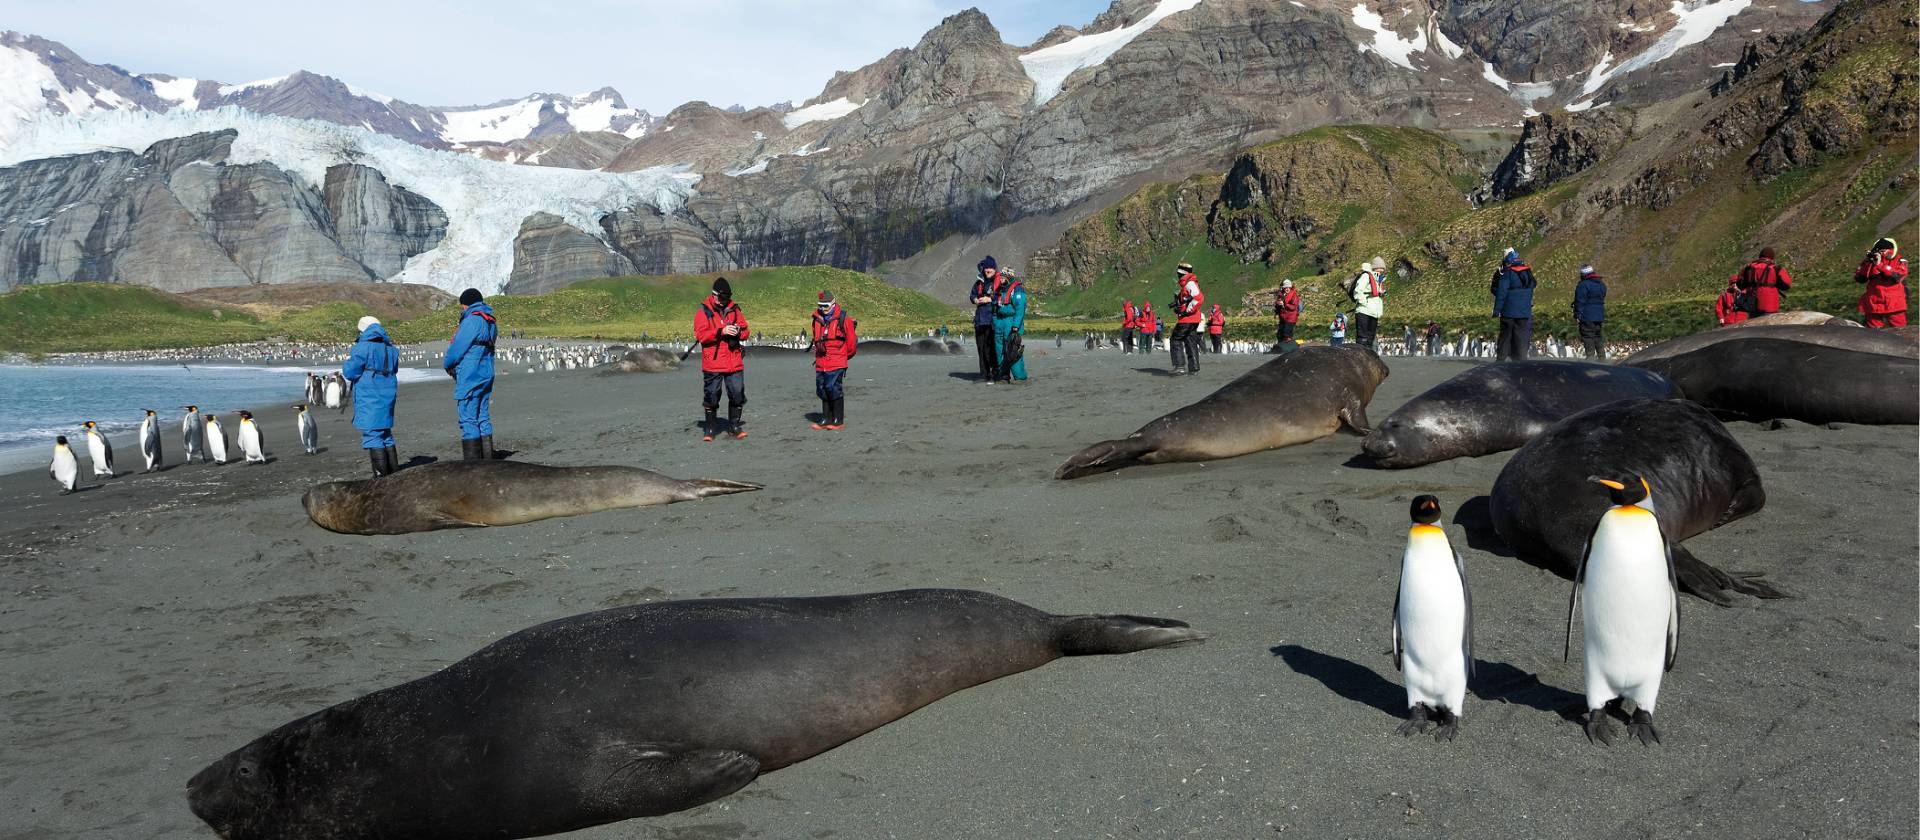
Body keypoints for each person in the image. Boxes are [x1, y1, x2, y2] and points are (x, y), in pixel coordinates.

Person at [343, 315, 400, 477]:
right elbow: (394, 369)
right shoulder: (391, 349)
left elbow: (350, 372)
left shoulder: (362, 348)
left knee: (372, 434)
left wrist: (348, 361)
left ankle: (381, 478)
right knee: (385, 434)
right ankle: (395, 475)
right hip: (387, 394)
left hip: (369, 395)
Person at [694, 277, 751, 441]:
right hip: (713, 362)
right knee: (711, 395)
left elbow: (747, 331)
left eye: (727, 298)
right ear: (715, 295)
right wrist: (721, 331)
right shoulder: (703, 312)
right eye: (722, 297)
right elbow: (701, 336)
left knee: (737, 394)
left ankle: (734, 426)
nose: (724, 301)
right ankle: (710, 428)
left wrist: (738, 331)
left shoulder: (734, 309)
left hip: (734, 360)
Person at [444, 288, 497, 460]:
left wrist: (447, 364)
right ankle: (488, 463)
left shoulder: (471, 321)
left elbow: (456, 349)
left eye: (462, 305)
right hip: (486, 373)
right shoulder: (491, 322)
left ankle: (473, 467)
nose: (462, 309)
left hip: (470, 375)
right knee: (482, 416)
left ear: (466, 304)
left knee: (468, 419)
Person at [810, 291, 857, 430]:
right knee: (822, 388)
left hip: (837, 361)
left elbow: (852, 344)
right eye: (821, 305)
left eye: (826, 305)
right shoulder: (816, 319)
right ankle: (826, 418)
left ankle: (838, 419)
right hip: (821, 361)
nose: (823, 308)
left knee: (833, 388)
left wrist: (842, 358)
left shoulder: (844, 319)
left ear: (833, 303)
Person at [1490, 248, 1537, 361]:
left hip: (1508, 311)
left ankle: (1501, 360)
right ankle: (1520, 360)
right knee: (1521, 336)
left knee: (1505, 336)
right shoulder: (1527, 272)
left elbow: (1501, 292)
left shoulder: (1506, 273)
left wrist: (1497, 310)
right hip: (1524, 311)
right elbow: (1533, 285)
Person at [1855, 238, 1909, 328]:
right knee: (1872, 334)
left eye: (1883, 251)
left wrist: (1880, 265)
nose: (1881, 254)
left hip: (1894, 303)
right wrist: (1868, 262)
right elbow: (1860, 278)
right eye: (1879, 251)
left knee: (1901, 331)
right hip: (1874, 303)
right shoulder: (1871, 261)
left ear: (1891, 250)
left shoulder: (1900, 261)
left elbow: (1898, 276)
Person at [989, 257, 1028, 382]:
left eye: (1003, 276)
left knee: (1012, 351)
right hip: (1000, 323)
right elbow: (995, 308)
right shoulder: (999, 291)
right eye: (1000, 276)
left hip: (1011, 323)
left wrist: (1016, 326)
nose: (1000, 278)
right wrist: (994, 323)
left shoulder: (1017, 290)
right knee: (999, 351)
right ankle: (1003, 375)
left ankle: (1020, 377)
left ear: (1009, 277)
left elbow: (1020, 309)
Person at [1732, 247, 1793, 317]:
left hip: (1752, 304)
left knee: (1754, 326)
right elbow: (1787, 285)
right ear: (1772, 257)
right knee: (1768, 326)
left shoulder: (1748, 268)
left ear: (1760, 256)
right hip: (1770, 305)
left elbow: (1740, 284)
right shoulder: (1776, 269)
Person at [1169, 263, 1204, 374]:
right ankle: (1194, 369)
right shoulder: (1188, 284)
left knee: (1175, 339)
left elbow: (1199, 298)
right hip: (1193, 319)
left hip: (1187, 319)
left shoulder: (1190, 283)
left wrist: (1186, 310)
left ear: (1182, 273)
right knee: (1190, 341)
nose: (1178, 275)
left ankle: (1179, 366)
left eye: (1179, 273)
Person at [1347, 257, 1386, 350]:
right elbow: (1358, 291)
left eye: (1383, 268)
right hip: (1364, 311)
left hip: (1373, 312)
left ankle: (1367, 358)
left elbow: (1374, 294)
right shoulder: (1366, 276)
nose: (1382, 270)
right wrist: (1364, 302)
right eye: (1380, 267)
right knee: (1362, 338)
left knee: (1370, 339)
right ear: (1375, 267)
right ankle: (1360, 357)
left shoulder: (1378, 279)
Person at [969, 259, 999, 381]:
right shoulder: (979, 282)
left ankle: (995, 372)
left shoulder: (998, 282)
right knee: (981, 348)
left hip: (992, 319)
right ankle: (984, 374)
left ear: (995, 268)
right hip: (980, 320)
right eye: (986, 268)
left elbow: (1001, 296)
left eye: (991, 268)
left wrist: (990, 299)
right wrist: (975, 300)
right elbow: (972, 295)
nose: (988, 270)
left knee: (991, 348)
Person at [1573, 264, 1608, 360]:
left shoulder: (1583, 285)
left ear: (1583, 274)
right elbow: (1603, 295)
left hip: (1587, 315)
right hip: (1599, 315)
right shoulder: (1601, 284)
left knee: (1588, 336)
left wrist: (1577, 315)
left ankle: (1590, 358)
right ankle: (1602, 358)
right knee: (1597, 336)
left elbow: (1580, 301)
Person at [1275, 279, 1300, 351]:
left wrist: (1285, 304)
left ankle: (1289, 348)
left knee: (1287, 333)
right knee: (1280, 333)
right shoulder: (1282, 294)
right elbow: (1277, 301)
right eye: (1285, 287)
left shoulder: (1293, 295)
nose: (1287, 289)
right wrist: (1278, 303)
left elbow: (1294, 307)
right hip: (1283, 317)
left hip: (1291, 317)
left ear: (1290, 287)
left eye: (1288, 287)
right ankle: (1282, 347)